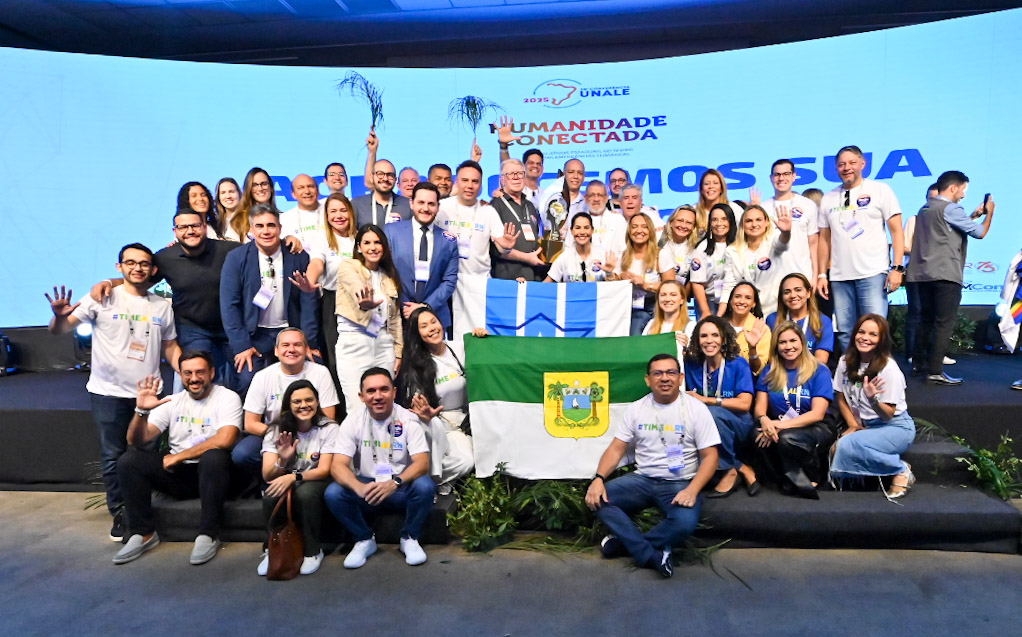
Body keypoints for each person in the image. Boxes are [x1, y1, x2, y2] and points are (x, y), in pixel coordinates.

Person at [46, 243, 182, 541]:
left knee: (145, 456)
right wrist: (58, 316)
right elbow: (59, 330)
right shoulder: (101, 298)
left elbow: (170, 345)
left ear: (153, 270)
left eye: (144, 264)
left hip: (149, 394)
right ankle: (121, 513)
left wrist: (184, 368)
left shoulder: (162, 306)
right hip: (108, 394)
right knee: (113, 456)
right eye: (130, 262)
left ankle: (144, 510)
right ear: (119, 267)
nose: (137, 268)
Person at [584, 353, 720, 578]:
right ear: (648, 380)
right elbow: (616, 448)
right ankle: (652, 555)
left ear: (680, 378)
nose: (665, 378)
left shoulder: (696, 409)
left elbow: (711, 457)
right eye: (658, 373)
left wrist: (692, 490)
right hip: (642, 479)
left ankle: (625, 545)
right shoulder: (636, 409)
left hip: (680, 482)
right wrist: (598, 479)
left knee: (684, 523)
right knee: (598, 498)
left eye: (671, 372)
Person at [90, 209, 243, 391]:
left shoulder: (230, 250)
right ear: (175, 231)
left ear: (204, 227)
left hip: (231, 325)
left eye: (195, 226)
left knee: (246, 376)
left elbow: (261, 256)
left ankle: (238, 408)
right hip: (193, 327)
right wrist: (109, 282)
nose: (190, 231)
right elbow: (139, 278)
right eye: (183, 227)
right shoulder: (165, 258)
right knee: (202, 376)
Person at [113, 353, 241, 565]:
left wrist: (179, 456)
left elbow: (225, 439)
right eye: (188, 373)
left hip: (215, 475)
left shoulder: (227, 398)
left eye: (200, 372)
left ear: (211, 373)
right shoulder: (172, 401)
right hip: (180, 474)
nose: (194, 378)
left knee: (214, 457)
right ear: (180, 375)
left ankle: (208, 535)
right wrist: (141, 411)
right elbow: (138, 440)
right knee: (129, 461)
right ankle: (143, 534)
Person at [323, 367, 435, 568]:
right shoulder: (352, 422)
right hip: (368, 489)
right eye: (371, 391)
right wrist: (359, 488)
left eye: (384, 389)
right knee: (334, 492)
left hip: (399, 487)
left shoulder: (409, 419)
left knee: (425, 486)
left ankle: (409, 537)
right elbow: (338, 466)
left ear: (394, 392)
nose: (378, 396)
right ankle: (364, 539)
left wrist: (395, 482)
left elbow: (422, 462)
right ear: (361, 396)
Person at [219, 204, 319, 396]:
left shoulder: (297, 256)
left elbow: (308, 302)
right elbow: (229, 306)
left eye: (271, 225)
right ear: (251, 230)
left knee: (312, 371)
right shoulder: (236, 258)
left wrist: (308, 342)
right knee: (248, 379)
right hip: (253, 336)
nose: (266, 231)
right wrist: (242, 346)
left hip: (291, 333)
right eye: (260, 226)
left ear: (280, 228)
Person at [907, 171, 995, 385]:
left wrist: (973, 215)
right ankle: (935, 371)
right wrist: (990, 213)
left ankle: (919, 365)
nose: (964, 195)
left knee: (926, 320)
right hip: (945, 274)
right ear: (954, 188)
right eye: (963, 190)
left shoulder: (925, 208)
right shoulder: (952, 208)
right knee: (943, 323)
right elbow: (980, 233)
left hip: (922, 274)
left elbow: (946, 230)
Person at [817, 145, 905, 351]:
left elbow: (897, 232)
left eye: (852, 163)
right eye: (841, 164)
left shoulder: (880, 190)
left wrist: (897, 268)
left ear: (863, 164)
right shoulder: (828, 198)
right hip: (839, 277)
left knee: (875, 329)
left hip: (873, 273)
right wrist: (821, 274)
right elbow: (824, 240)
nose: (846, 168)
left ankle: (876, 369)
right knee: (845, 331)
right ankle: (850, 370)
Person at [234, 327, 339, 480]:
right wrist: (281, 437)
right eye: (285, 345)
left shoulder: (320, 373)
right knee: (242, 453)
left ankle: (298, 478)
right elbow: (250, 424)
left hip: (312, 436)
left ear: (306, 349)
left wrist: (299, 438)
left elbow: (328, 417)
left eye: (297, 345)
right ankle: (272, 479)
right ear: (276, 351)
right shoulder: (262, 377)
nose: (291, 349)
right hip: (274, 434)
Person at [258, 379, 339, 576]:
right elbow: (267, 473)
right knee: (271, 494)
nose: (304, 405)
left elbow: (324, 469)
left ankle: (313, 551)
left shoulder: (329, 428)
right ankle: (272, 549)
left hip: (316, 478)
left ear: (317, 402)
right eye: (297, 401)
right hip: (287, 476)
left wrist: (295, 477)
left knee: (306, 494)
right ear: (289, 404)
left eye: (309, 400)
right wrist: (283, 460)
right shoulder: (275, 430)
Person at [831, 314, 916, 499]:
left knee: (847, 445)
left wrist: (872, 400)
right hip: (865, 424)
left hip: (895, 427)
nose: (865, 338)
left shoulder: (889, 369)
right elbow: (840, 396)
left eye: (873, 334)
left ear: (881, 340)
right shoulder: (845, 361)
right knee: (837, 448)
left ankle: (900, 469)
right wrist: (853, 425)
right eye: (861, 332)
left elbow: (888, 415)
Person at [396, 307, 477, 490]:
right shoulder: (415, 365)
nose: (432, 328)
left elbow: (484, 360)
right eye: (424, 326)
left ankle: (427, 478)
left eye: (434, 322)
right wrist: (426, 415)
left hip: (461, 424)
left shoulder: (460, 347)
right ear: (417, 334)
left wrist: (480, 338)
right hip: (434, 424)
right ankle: (422, 478)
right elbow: (415, 409)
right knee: (432, 426)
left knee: (469, 461)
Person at [753, 321, 835, 499]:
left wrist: (780, 426)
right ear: (776, 346)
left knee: (787, 437)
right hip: (780, 422)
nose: (788, 346)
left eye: (793, 341)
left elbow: (818, 413)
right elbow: (760, 408)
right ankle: (782, 478)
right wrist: (765, 420)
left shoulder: (819, 370)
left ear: (802, 343)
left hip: (817, 425)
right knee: (756, 435)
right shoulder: (769, 371)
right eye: (782, 342)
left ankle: (812, 476)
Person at [683, 316, 759, 497]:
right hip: (705, 426)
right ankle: (741, 467)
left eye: (715, 335)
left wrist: (706, 400)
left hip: (739, 424)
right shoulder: (692, 365)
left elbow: (745, 404)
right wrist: (678, 346)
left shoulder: (737, 363)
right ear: (697, 341)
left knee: (711, 413)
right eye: (704, 336)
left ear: (724, 339)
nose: (709, 340)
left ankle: (730, 470)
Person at [334, 224, 404, 411]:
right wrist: (363, 301)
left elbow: (395, 320)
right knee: (357, 406)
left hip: (384, 343)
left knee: (385, 405)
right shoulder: (348, 266)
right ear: (359, 247)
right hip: (354, 343)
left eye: (377, 243)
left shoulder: (389, 276)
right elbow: (354, 284)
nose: (373, 247)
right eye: (367, 243)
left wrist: (398, 352)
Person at [300, 192, 357, 397]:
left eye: (343, 210)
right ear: (326, 215)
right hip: (332, 303)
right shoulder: (322, 238)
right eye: (333, 211)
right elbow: (317, 263)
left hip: (360, 303)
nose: (338, 216)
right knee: (335, 360)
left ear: (351, 213)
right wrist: (310, 280)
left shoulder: (360, 237)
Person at [383, 182, 460, 329]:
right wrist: (405, 305)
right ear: (411, 203)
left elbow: (449, 281)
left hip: (435, 316)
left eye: (431, 204)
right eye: (421, 202)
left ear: (438, 206)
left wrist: (425, 306)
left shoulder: (448, 241)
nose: (425, 208)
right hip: (399, 313)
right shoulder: (391, 232)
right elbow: (385, 272)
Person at [436, 159, 518, 278]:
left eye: (475, 181)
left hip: (479, 281)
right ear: (457, 182)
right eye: (465, 180)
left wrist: (506, 247)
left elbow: (502, 247)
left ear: (480, 185)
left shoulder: (489, 211)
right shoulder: (440, 207)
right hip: (446, 280)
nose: (470, 186)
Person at [719, 204, 791, 315]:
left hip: (775, 309)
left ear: (766, 222)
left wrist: (786, 233)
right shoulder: (732, 251)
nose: (754, 224)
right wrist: (719, 316)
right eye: (749, 221)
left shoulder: (773, 242)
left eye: (758, 220)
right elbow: (729, 286)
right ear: (743, 225)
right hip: (746, 311)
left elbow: (782, 244)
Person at [755, 160, 820, 282]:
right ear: (771, 178)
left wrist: (815, 276)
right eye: (777, 175)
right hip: (771, 278)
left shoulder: (808, 205)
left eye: (786, 174)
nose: (781, 178)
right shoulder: (763, 208)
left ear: (794, 176)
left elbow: (813, 244)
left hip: (802, 275)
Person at [902, 182, 940, 364]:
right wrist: (925, 252)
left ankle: (935, 354)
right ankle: (912, 354)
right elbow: (903, 247)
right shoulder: (915, 220)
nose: (932, 203)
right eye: (930, 199)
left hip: (939, 273)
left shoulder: (946, 221)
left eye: (937, 199)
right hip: (916, 272)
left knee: (937, 313)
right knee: (916, 312)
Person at [490, 159, 545, 281]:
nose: (516, 177)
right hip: (508, 277)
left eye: (520, 173)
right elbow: (493, 248)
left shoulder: (530, 206)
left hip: (534, 276)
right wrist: (526, 258)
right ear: (502, 179)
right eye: (511, 174)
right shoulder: (495, 206)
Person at [766, 273, 834, 364]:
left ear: (808, 293)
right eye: (787, 292)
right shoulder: (772, 319)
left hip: (811, 371)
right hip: (780, 371)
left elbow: (821, 361)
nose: (793, 295)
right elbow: (771, 358)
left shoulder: (823, 321)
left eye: (798, 290)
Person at [611, 212, 661, 335]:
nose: (639, 230)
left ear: (650, 231)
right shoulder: (622, 256)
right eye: (634, 227)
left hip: (655, 305)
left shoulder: (660, 254)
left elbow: (671, 285)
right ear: (629, 231)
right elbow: (612, 285)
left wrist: (646, 285)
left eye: (644, 227)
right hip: (629, 307)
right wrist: (620, 277)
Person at [690, 203, 738, 319]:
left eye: (724, 219)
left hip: (735, 300)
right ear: (710, 223)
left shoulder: (739, 244)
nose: (719, 223)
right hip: (709, 301)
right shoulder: (702, 248)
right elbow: (697, 283)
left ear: (731, 221)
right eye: (714, 220)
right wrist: (706, 311)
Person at [545, 212, 614, 283]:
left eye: (586, 228)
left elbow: (616, 287)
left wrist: (609, 274)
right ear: (571, 231)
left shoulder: (602, 255)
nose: (582, 232)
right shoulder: (564, 257)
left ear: (592, 230)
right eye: (577, 228)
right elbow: (546, 284)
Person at [721, 282, 771, 375]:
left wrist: (752, 349)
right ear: (731, 300)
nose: (742, 301)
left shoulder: (762, 329)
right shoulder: (719, 326)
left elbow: (757, 370)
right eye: (737, 296)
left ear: (754, 303)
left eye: (748, 298)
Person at [353, 158, 412, 228]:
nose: (385, 179)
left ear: (395, 180)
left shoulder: (408, 205)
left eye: (390, 175)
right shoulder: (357, 204)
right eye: (380, 174)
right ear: (371, 177)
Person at [540, 159, 587, 238]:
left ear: (584, 177)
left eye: (580, 173)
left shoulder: (587, 205)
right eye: (571, 172)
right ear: (564, 175)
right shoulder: (549, 201)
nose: (575, 176)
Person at [642, 280, 694, 346]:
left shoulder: (691, 326)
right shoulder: (651, 324)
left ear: (682, 299)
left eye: (673, 295)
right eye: (663, 295)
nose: (667, 299)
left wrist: (687, 346)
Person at [694, 169, 744, 237]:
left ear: (721, 188)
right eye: (706, 184)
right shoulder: (694, 211)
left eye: (715, 183)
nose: (711, 186)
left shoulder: (734, 209)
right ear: (701, 189)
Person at [280, 174, 325, 248]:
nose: (307, 191)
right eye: (301, 188)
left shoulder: (331, 212)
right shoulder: (284, 218)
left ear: (318, 190)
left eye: (310, 186)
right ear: (293, 194)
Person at [658, 205, 700, 285]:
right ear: (671, 222)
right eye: (680, 220)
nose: (683, 226)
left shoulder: (697, 248)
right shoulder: (658, 241)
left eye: (689, 223)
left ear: (693, 227)